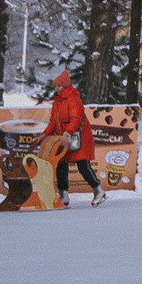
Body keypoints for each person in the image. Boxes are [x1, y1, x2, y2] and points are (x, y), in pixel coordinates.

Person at [43, 69, 102, 207]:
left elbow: (76, 119)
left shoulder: (74, 100)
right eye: (55, 86)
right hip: (64, 138)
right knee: (61, 165)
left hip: (78, 137)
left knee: (82, 165)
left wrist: (67, 133)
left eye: (58, 86)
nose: (56, 88)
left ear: (65, 85)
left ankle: (98, 190)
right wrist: (44, 134)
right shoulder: (56, 102)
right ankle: (63, 195)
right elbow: (53, 122)